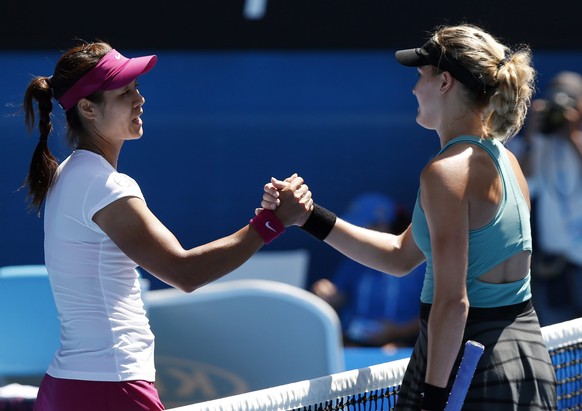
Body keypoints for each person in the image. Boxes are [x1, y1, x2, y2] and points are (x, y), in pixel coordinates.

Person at [262, 24, 557, 410]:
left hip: (467, 371)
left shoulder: (446, 173)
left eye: (421, 77)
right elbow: (400, 256)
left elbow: (453, 302)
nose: (414, 89)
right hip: (526, 363)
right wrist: (308, 217)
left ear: (445, 82)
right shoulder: (507, 161)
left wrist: (433, 396)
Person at [22, 42, 312, 411]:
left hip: (69, 389)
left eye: (137, 88)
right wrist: (270, 224)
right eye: (125, 92)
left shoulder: (69, 176)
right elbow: (184, 271)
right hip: (110, 390)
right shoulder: (103, 185)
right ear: (88, 109)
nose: (139, 99)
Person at [311, 192, 424, 348]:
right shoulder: (352, 260)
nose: (354, 232)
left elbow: (439, 314)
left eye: (362, 226)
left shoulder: (421, 263)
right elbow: (338, 296)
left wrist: (397, 332)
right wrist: (326, 293)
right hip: (353, 344)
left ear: (383, 225)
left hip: (402, 347)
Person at [515, 71, 582, 326]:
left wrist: (573, 135)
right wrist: (532, 134)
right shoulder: (537, 144)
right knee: (557, 336)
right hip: (554, 264)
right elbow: (525, 185)